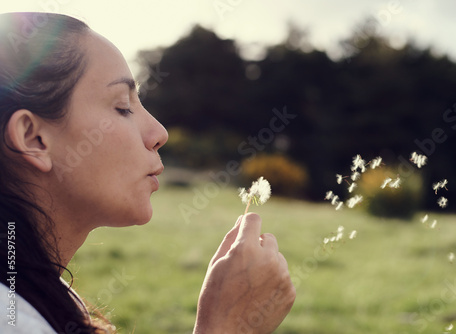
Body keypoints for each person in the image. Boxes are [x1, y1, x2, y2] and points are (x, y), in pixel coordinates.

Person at [0, 12, 295, 333]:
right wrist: (228, 326)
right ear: (34, 138)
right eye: (122, 106)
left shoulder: (38, 298)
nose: (159, 132)